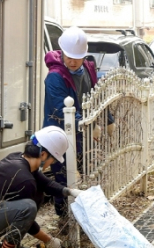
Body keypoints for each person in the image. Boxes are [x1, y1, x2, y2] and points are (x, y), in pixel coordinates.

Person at [43, 26, 114, 218]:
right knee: (63, 180)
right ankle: (65, 222)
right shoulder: (55, 77)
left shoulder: (88, 70)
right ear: (62, 53)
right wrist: (90, 125)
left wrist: (108, 120)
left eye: (76, 57)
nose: (72, 61)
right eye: (68, 56)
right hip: (58, 135)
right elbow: (60, 110)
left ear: (85, 55)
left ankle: (86, 217)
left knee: (89, 175)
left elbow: (98, 97)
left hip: (82, 134)